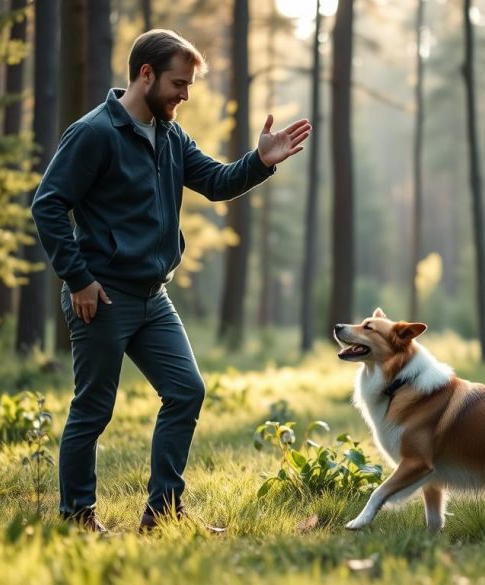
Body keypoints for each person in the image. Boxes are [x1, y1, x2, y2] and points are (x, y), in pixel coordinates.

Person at [31, 29, 310, 533]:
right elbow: (47, 205)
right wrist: (79, 280)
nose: (185, 94)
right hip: (102, 296)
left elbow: (215, 182)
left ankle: (162, 514)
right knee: (93, 411)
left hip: (152, 297)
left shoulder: (170, 135)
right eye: (179, 84)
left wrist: (261, 161)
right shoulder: (94, 133)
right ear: (145, 74)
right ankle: (76, 519)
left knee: (186, 391)